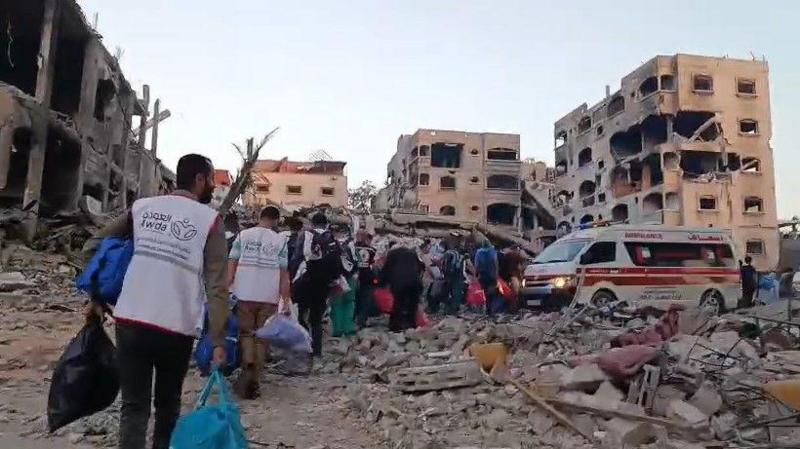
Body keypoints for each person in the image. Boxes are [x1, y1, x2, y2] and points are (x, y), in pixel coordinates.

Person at [83, 154, 228, 449]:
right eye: (212, 179)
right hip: (176, 327)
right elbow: (217, 286)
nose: (213, 185)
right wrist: (218, 339)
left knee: (134, 406)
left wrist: (97, 295)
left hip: (131, 321)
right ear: (200, 180)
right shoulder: (210, 220)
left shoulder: (142, 208)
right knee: (167, 406)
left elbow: (93, 246)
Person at [227, 206, 291, 399]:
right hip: (269, 296)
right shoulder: (280, 241)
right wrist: (285, 299)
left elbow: (232, 265)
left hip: (244, 293)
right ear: (276, 221)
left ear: (259, 216)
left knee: (246, 334)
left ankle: (247, 364)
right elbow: (283, 273)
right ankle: (254, 382)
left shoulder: (242, 236)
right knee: (262, 339)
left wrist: (225, 288)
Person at [292, 212, 339, 356]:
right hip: (323, 283)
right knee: (316, 317)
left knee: (300, 313)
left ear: (312, 223)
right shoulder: (331, 239)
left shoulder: (306, 236)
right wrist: (333, 280)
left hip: (306, 280)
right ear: (326, 224)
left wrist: (291, 276)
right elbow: (337, 262)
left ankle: (303, 344)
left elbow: (296, 258)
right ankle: (317, 350)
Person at [381, 245, 424, 332]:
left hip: (399, 283)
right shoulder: (413, 253)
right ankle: (411, 324)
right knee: (413, 304)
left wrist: (381, 283)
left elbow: (386, 270)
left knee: (398, 303)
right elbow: (421, 266)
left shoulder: (392, 255)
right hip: (414, 282)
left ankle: (395, 326)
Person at [329, 224, 358, 337]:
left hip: (336, 278)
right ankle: (348, 327)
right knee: (349, 302)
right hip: (350, 277)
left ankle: (338, 329)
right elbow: (356, 260)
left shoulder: (331, 244)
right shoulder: (350, 244)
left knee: (336, 304)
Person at [354, 230, 378, 328]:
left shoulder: (352, 247)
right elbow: (374, 265)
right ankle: (362, 321)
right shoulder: (372, 250)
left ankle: (352, 320)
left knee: (354, 299)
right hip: (367, 276)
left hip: (354, 275)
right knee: (365, 299)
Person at [475, 243, 502, 315]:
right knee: (493, 293)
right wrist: (496, 275)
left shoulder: (479, 252)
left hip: (482, 275)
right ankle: (491, 310)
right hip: (491, 276)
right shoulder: (492, 252)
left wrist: (476, 274)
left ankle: (487, 309)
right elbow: (496, 264)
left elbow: (477, 264)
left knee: (486, 293)